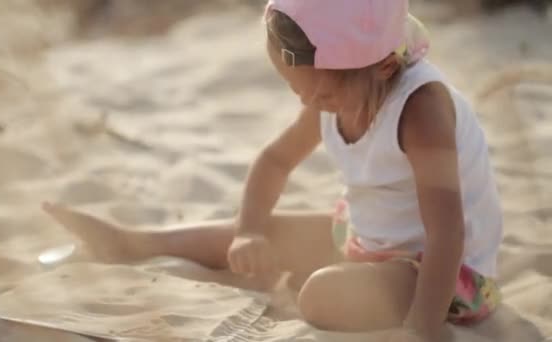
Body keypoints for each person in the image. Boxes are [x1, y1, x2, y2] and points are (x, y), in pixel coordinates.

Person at [42, 1, 504, 340]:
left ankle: (401, 304)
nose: (308, 105)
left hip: (442, 272)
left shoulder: (421, 111)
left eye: (319, 96)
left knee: (321, 297)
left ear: (382, 66)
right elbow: (275, 160)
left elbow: (447, 233)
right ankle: (133, 243)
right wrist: (249, 232)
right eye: (295, 90)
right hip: (368, 237)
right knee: (258, 232)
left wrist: (421, 328)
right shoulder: (336, 87)